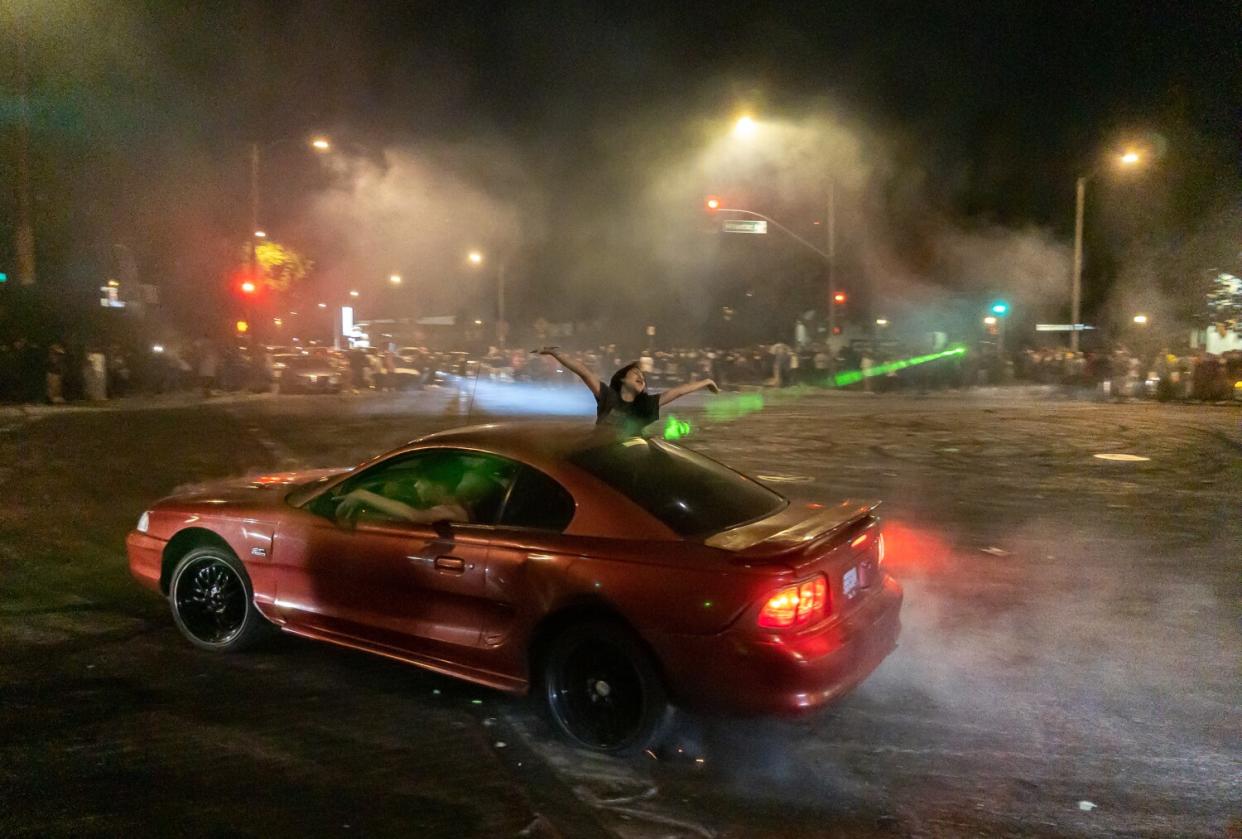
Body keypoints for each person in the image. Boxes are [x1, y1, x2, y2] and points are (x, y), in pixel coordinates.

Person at [537, 346, 719, 436]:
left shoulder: (645, 405)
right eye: (635, 373)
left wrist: (707, 381)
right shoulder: (608, 397)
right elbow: (584, 372)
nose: (641, 377)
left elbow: (677, 392)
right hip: (600, 457)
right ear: (623, 379)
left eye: (643, 377)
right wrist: (556, 354)